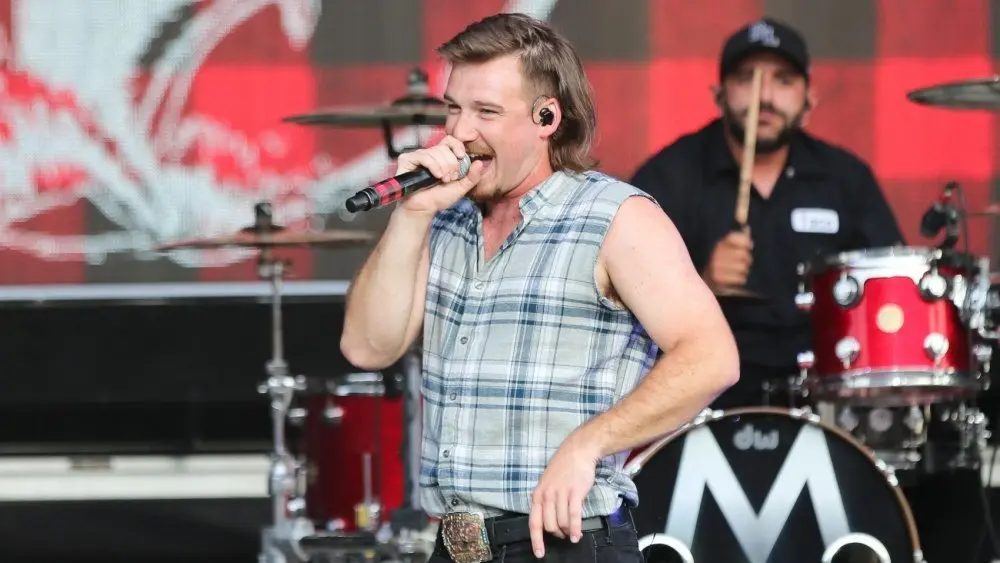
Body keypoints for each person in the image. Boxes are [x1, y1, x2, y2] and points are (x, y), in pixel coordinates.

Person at [339, 12, 739, 563]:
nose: (460, 133)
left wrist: (589, 443)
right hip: (456, 547)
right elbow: (367, 347)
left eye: (487, 112)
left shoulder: (613, 215)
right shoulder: (443, 219)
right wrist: (411, 215)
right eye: (454, 109)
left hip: (565, 543)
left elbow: (712, 357)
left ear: (546, 116)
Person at [628, 18, 904, 410]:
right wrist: (700, 283)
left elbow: (888, 292)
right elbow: (625, 305)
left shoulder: (846, 179)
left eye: (784, 80)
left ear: (810, 100)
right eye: (746, 79)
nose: (766, 96)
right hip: (702, 396)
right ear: (719, 95)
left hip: (825, 394)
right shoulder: (669, 177)